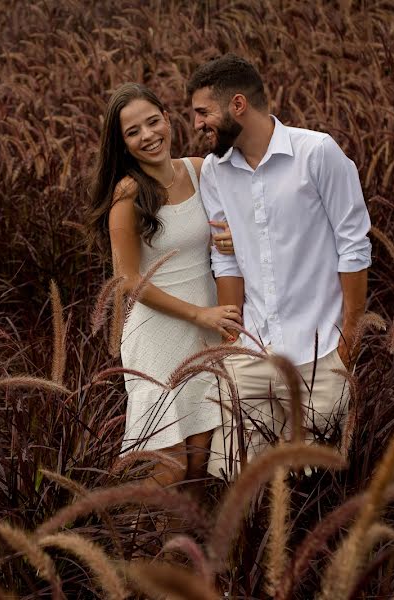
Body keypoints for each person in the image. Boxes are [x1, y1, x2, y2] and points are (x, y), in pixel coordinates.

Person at [187, 55, 372, 480]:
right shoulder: (215, 171)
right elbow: (225, 255)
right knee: (239, 480)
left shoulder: (317, 153)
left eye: (202, 112)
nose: (196, 124)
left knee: (315, 486)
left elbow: (353, 246)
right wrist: (232, 340)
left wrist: (349, 341)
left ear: (237, 105)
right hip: (250, 350)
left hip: (321, 351)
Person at [86, 82, 242, 494]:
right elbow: (127, 279)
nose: (148, 135)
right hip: (159, 335)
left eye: (153, 122)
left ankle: (182, 555)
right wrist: (199, 314)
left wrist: (234, 236)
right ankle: (138, 552)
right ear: (121, 143)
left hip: (208, 330)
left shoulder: (200, 169)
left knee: (198, 463)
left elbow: (244, 217)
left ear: (168, 119)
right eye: (133, 131)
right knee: (166, 467)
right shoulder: (128, 192)